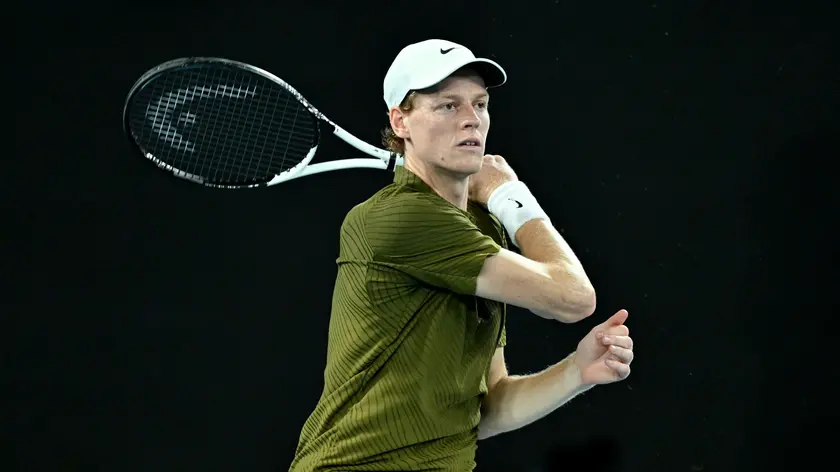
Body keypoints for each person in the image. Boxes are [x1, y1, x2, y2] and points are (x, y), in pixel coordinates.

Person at [288, 39, 635, 471]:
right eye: (447, 106)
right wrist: (512, 197)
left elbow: (482, 411)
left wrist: (576, 372)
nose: (471, 119)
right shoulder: (399, 218)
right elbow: (574, 298)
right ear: (400, 121)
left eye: (480, 104)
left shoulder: (481, 228)